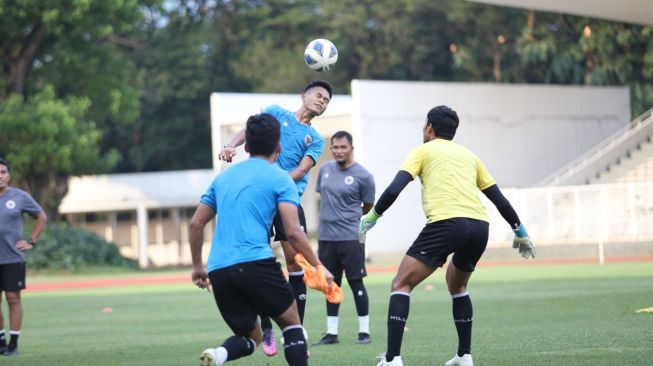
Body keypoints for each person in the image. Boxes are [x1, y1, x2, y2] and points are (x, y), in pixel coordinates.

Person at [359, 106, 535, 366]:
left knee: (400, 284)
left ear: (429, 127)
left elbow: (396, 187)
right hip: (478, 227)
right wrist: (520, 230)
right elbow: (499, 199)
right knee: (458, 286)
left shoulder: (422, 151)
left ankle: (392, 359)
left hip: (447, 224)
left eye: (424, 125)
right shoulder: (470, 156)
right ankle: (464, 356)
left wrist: (372, 217)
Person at [189, 114, 334, 366]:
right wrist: (319, 267)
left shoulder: (222, 179)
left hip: (219, 270)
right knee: (292, 324)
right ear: (279, 146)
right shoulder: (281, 179)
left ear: (246, 147)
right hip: (256, 262)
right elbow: (293, 232)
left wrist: (197, 267)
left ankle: (219, 355)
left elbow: (195, 223)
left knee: (251, 336)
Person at [218, 80, 332, 356]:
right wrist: (231, 145)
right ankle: (267, 328)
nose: (322, 101)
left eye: (326, 100)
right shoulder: (274, 112)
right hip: (259, 201)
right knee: (259, 259)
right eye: (318, 95)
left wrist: (274, 180)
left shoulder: (315, 139)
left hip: (287, 200)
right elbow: (249, 130)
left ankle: (296, 331)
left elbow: (302, 170)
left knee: (296, 263)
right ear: (302, 95)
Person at [312, 131, 375, 346]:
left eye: (343, 147)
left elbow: (368, 207)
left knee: (356, 282)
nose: (339, 151)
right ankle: (331, 333)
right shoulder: (324, 170)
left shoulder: (364, 176)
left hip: (351, 237)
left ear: (351, 148)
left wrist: (356, 226)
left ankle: (364, 332)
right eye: (335, 147)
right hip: (326, 237)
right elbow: (323, 196)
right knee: (330, 284)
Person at [0, 158, 47, 356]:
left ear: (9, 175)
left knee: (13, 299)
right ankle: (1, 342)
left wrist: (31, 241)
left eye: (2, 172)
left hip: (12, 258)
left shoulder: (19, 196)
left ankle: (14, 344)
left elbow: (41, 216)